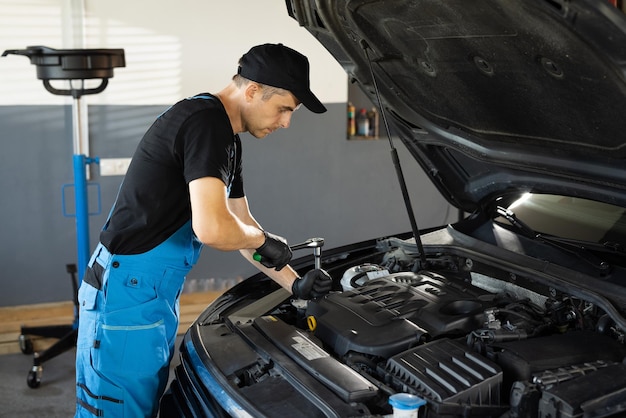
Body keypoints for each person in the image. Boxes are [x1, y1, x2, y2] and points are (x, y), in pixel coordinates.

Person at [74, 43, 333, 418]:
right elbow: (213, 228)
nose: (286, 122)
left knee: (142, 405)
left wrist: (294, 283)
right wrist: (263, 241)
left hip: (147, 291)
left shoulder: (227, 139)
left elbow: (241, 225)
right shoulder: (205, 123)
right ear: (253, 90)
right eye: (284, 109)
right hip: (126, 291)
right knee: (117, 411)